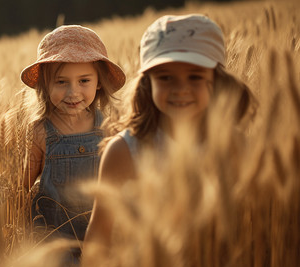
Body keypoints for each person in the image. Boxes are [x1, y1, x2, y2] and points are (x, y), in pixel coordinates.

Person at [84, 14, 256, 251]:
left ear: (217, 81)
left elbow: (253, 225)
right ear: (147, 82)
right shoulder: (125, 151)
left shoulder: (234, 145)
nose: (181, 89)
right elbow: (100, 235)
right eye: (166, 77)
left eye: (195, 76)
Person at [20, 25, 126, 264]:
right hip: (54, 241)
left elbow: (120, 180)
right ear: (45, 85)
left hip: (100, 237)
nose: (73, 92)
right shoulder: (41, 131)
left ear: (99, 82)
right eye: (61, 82)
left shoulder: (109, 127)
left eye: (84, 80)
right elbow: (23, 183)